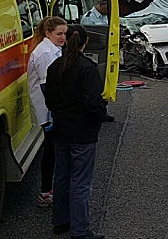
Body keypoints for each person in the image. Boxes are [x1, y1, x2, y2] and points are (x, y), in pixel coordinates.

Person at [45, 24, 108, 239]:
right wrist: (100, 116)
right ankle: (81, 231)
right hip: (83, 133)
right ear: (85, 42)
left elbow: (50, 100)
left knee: (61, 176)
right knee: (81, 181)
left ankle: (61, 221)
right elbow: (93, 104)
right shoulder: (87, 68)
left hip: (61, 130)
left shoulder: (55, 66)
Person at [27, 16, 67, 208]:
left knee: (53, 150)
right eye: (59, 34)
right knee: (51, 151)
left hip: (50, 107)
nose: (63, 38)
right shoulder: (44, 53)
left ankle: (49, 189)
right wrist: (55, 113)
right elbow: (46, 87)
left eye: (65, 34)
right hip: (47, 109)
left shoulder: (52, 49)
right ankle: (45, 192)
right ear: (48, 33)